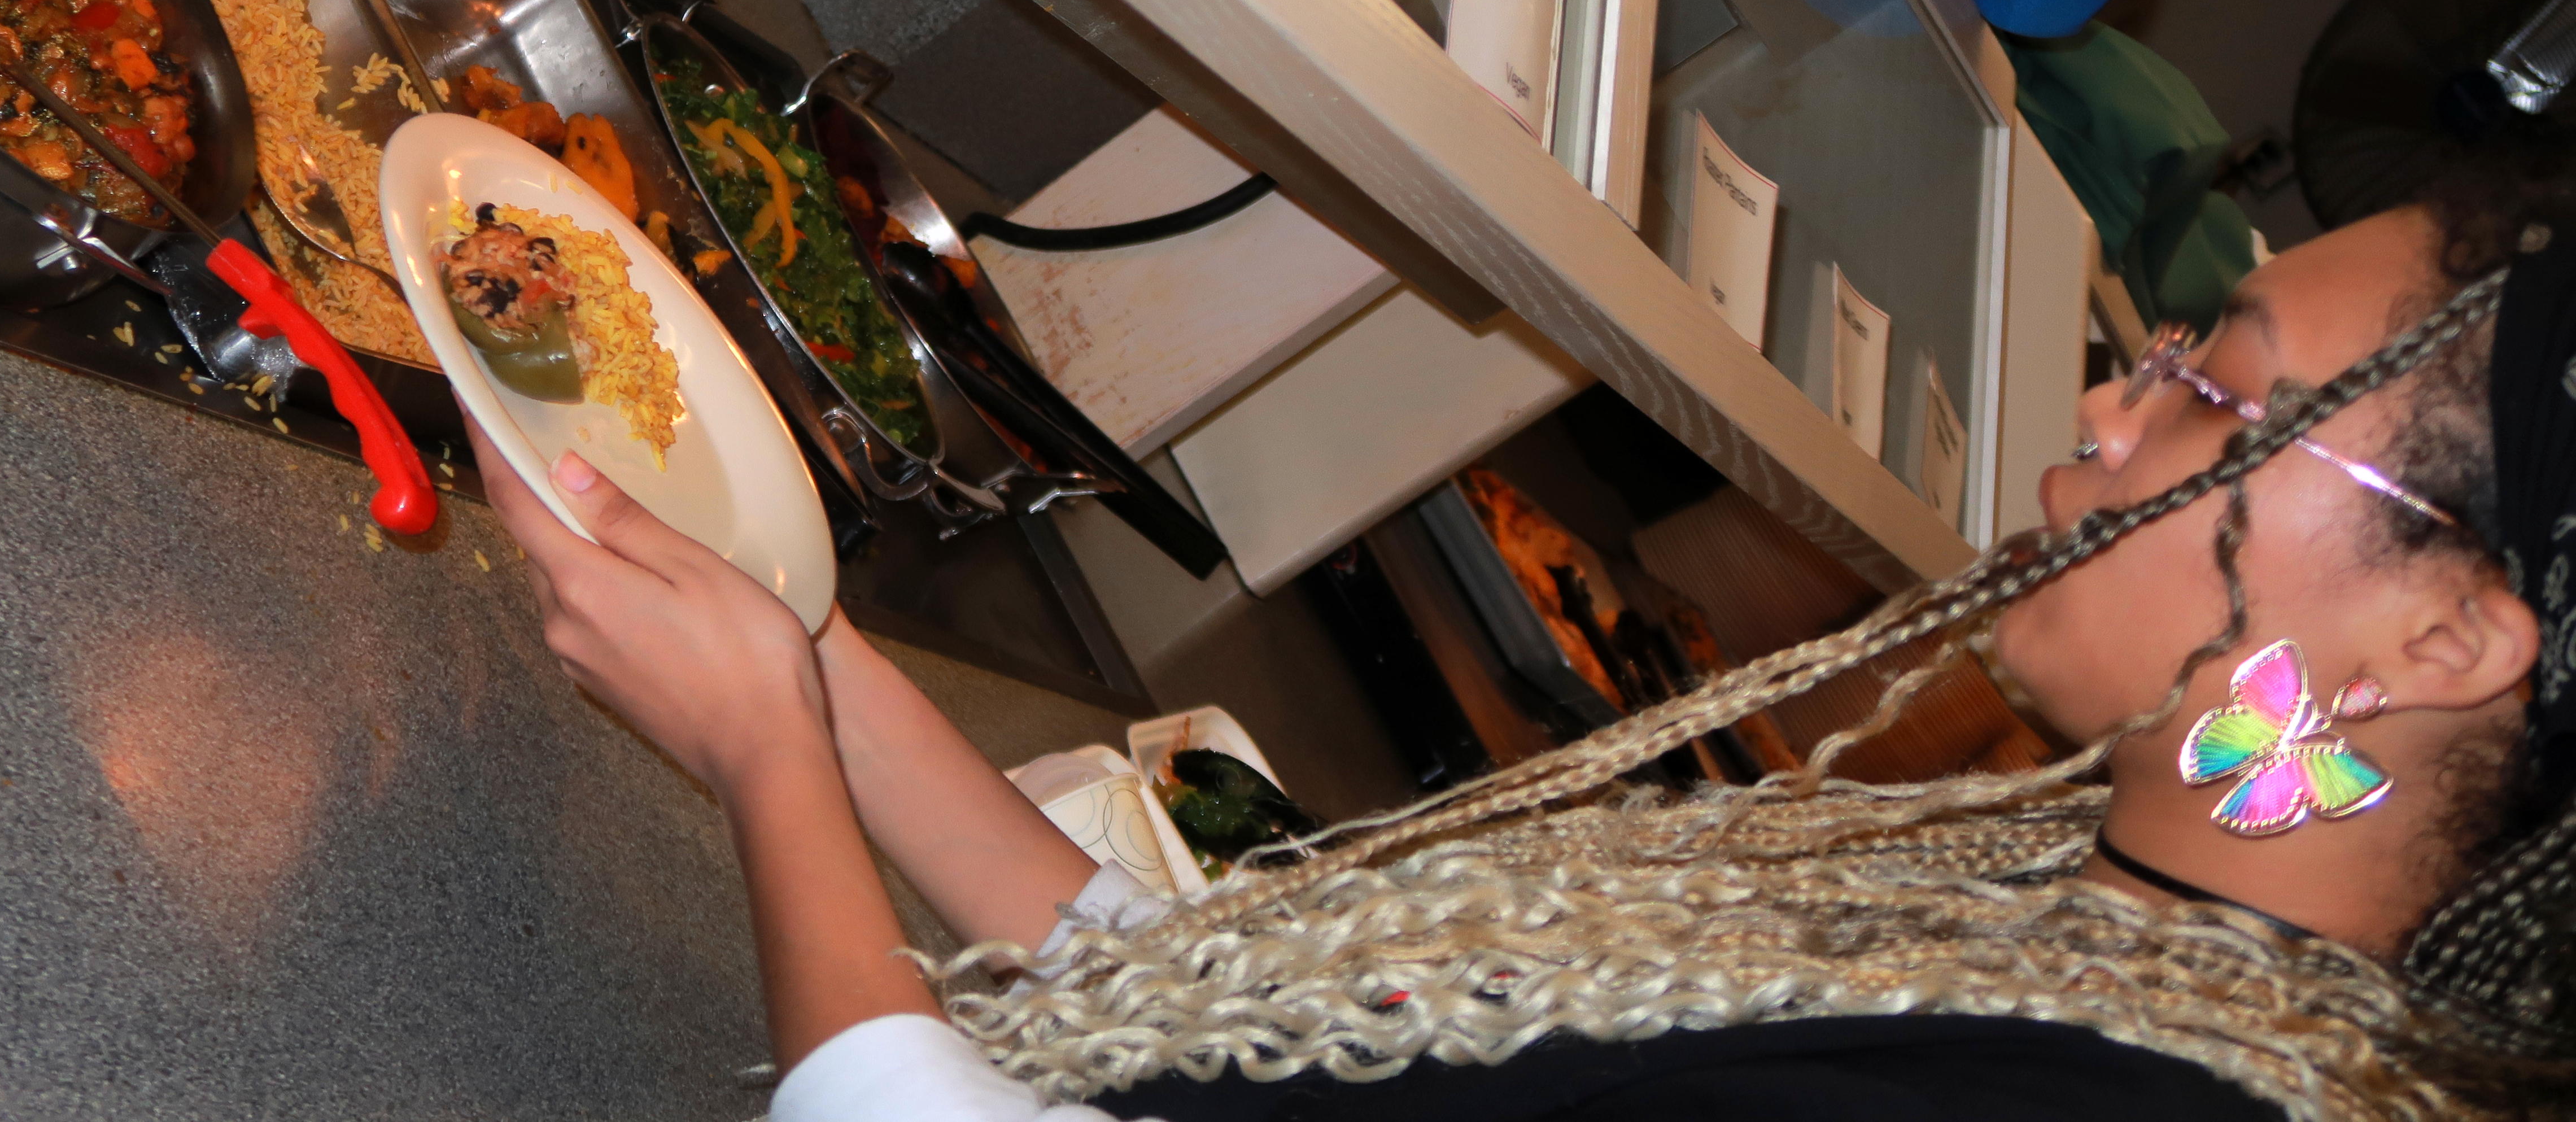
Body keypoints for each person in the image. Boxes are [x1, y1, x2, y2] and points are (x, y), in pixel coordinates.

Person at [466, 173, 2576, 1121]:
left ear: (2441, 627)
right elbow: (1248, 1040)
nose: (2120, 403)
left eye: (2229, 387)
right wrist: (814, 646)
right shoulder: (2079, 923)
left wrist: (762, 756)